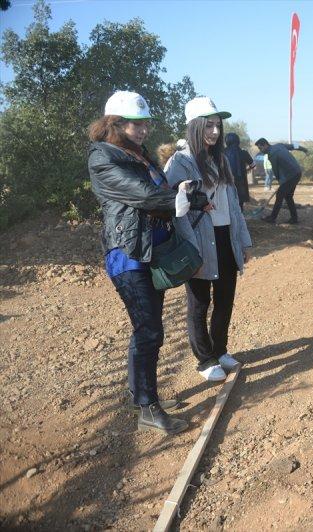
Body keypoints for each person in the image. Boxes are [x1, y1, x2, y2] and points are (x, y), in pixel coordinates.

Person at [88, 91, 208, 435]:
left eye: (145, 125)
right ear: (115, 124)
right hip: (127, 255)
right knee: (149, 330)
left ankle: (145, 395)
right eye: (135, 125)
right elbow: (141, 194)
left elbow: (161, 190)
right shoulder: (103, 157)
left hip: (149, 251)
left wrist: (191, 196)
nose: (142, 131)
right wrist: (184, 200)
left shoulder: (136, 153)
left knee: (149, 329)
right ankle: (147, 407)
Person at [166, 96, 253, 382]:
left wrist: (243, 240)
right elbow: (170, 205)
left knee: (225, 298)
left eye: (217, 125)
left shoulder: (222, 159)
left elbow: (233, 206)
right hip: (199, 240)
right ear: (193, 126)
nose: (214, 132)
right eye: (208, 126)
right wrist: (188, 204)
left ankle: (221, 350)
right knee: (199, 303)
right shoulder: (181, 162)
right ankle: (205, 360)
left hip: (226, 237)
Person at [255, 138, 307, 224]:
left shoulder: (271, 154)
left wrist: (281, 182)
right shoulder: (279, 145)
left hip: (290, 175)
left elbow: (275, 170)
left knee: (280, 195)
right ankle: (294, 219)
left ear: (265, 145)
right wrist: (304, 149)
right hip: (297, 172)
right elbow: (293, 146)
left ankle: (272, 218)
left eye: (260, 148)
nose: (260, 150)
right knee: (288, 196)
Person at [224, 132, 255, 211]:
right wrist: (246, 170)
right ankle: (240, 217)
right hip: (241, 180)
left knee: (227, 199)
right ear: (238, 141)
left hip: (226, 180)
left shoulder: (222, 152)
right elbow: (253, 165)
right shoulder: (244, 152)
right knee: (240, 200)